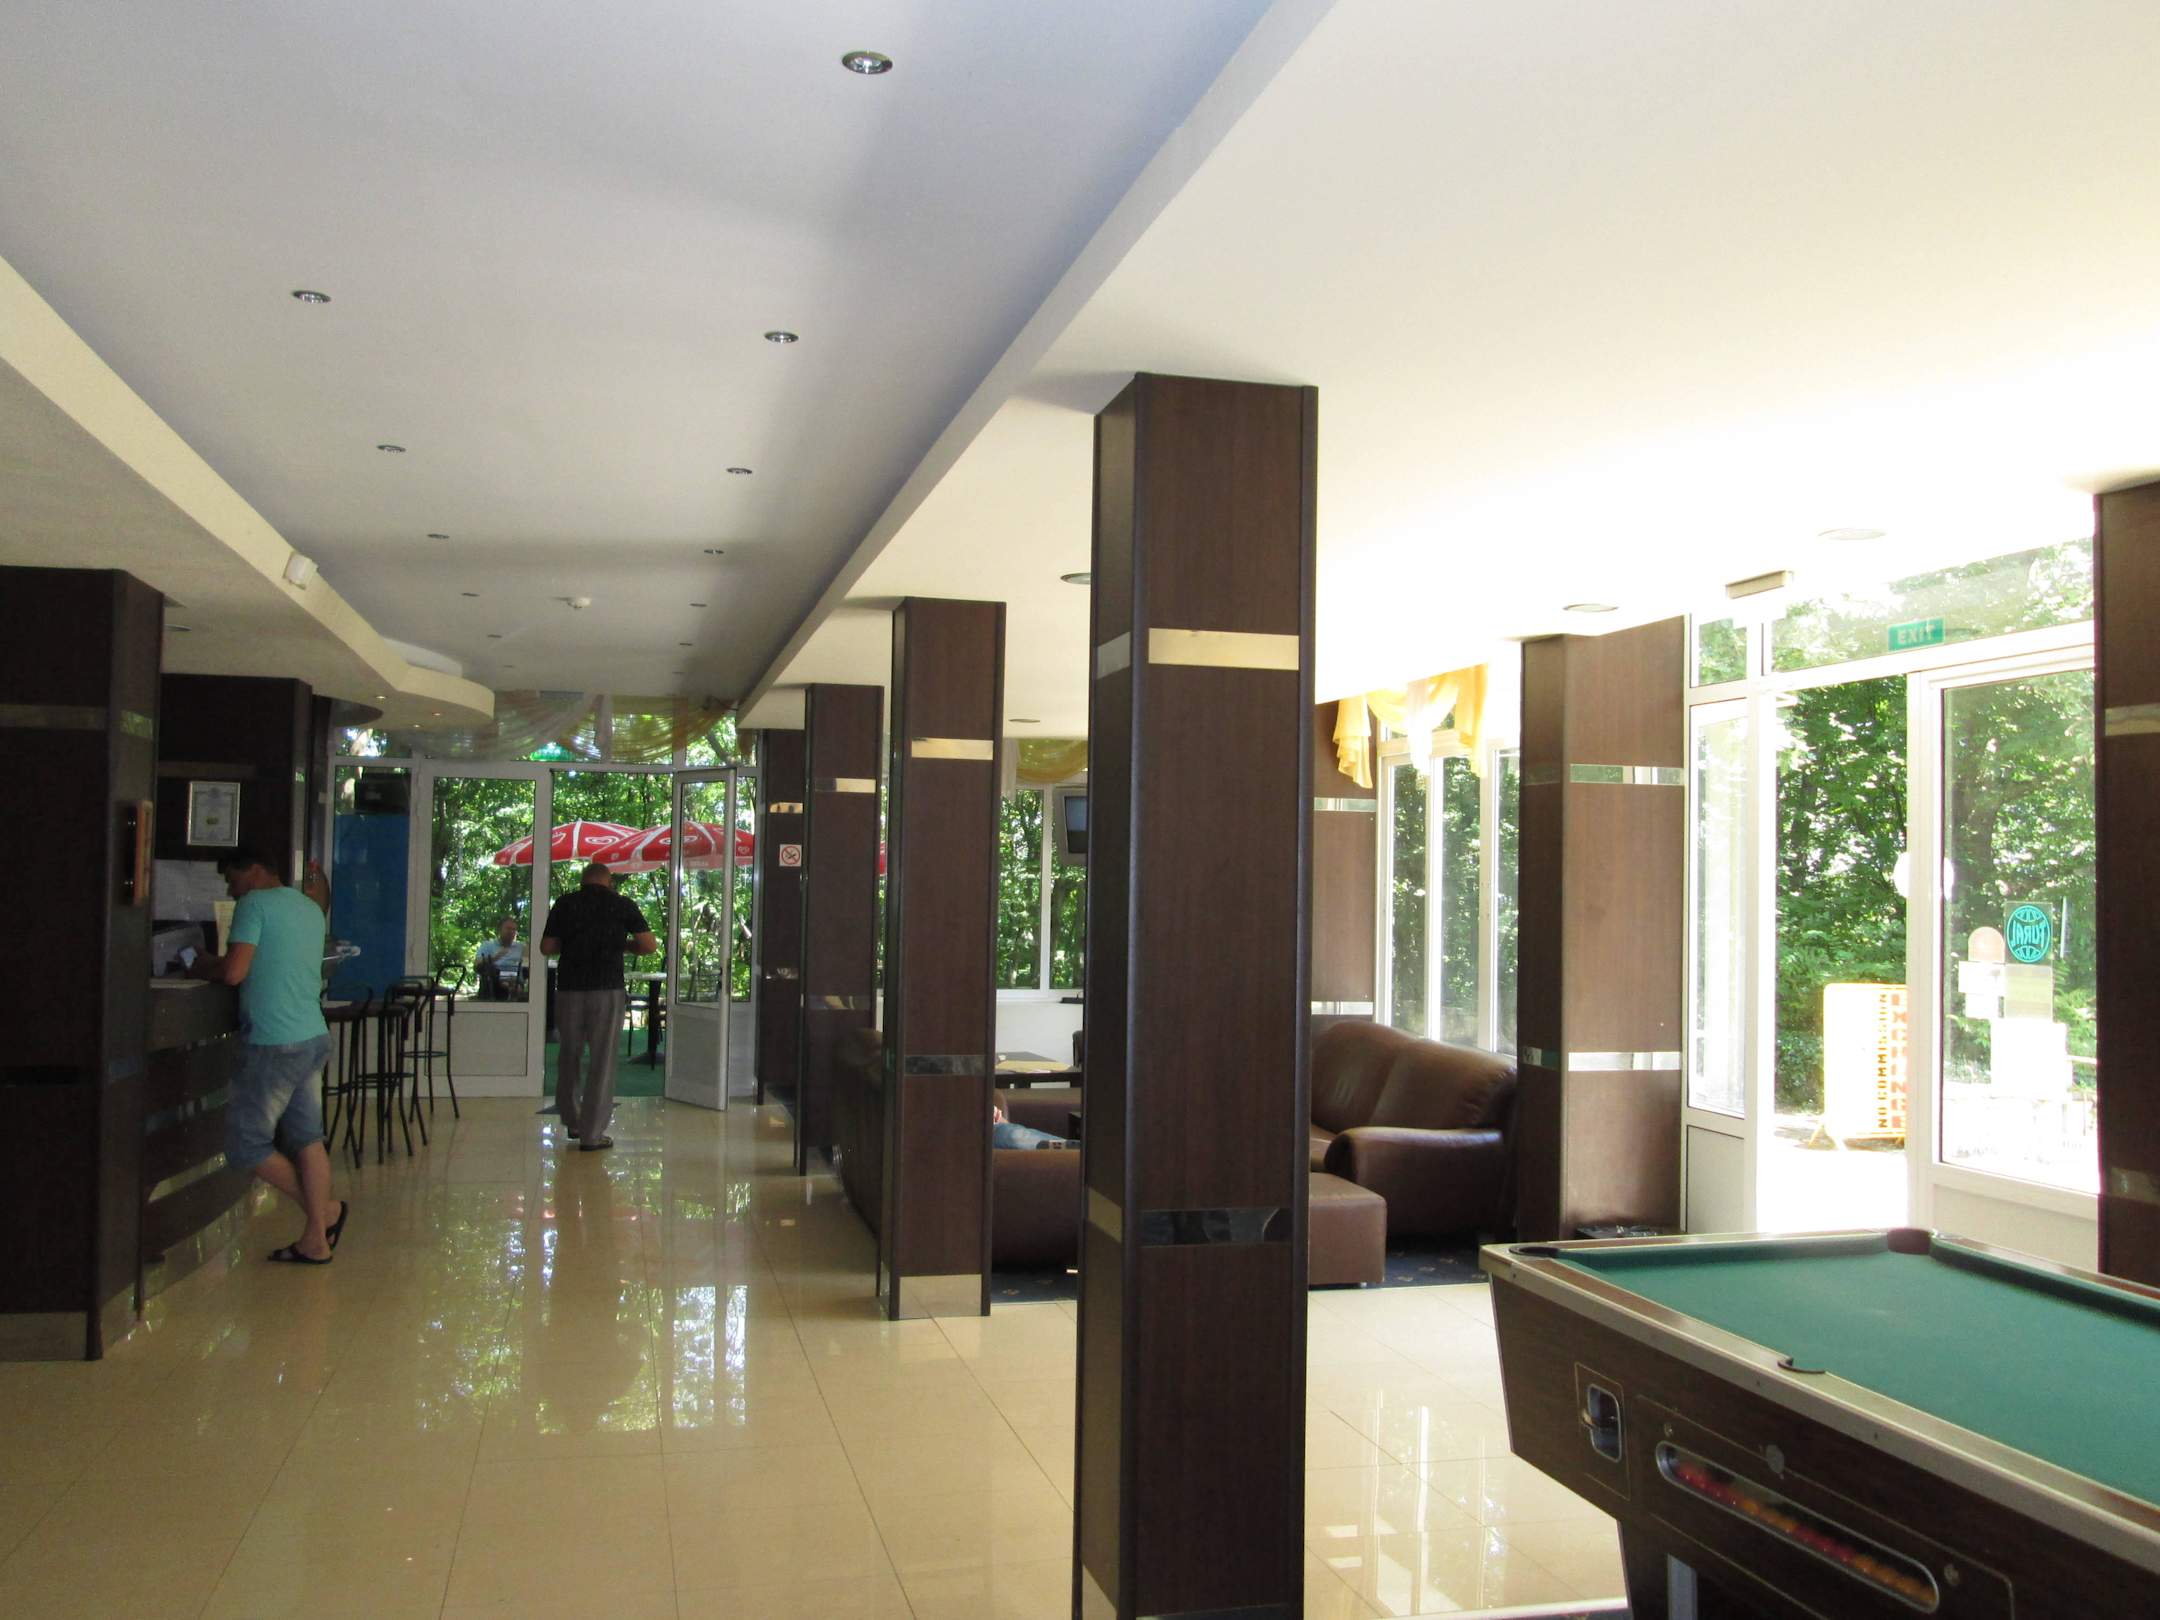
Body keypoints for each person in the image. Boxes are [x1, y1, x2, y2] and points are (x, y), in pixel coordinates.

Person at [193, 847, 348, 1263]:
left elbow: (234, 971)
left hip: (273, 1041)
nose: (231, 889)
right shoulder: (309, 909)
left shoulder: (254, 905)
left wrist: (202, 965)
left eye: (233, 879)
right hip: (312, 1036)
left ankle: (324, 1214)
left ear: (256, 871)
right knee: (308, 1139)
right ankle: (316, 1238)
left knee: (245, 1144)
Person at [539, 862, 657, 1152]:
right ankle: (592, 1134)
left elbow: (547, 947)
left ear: (583, 881)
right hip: (607, 989)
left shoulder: (565, 903)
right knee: (602, 1061)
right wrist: (623, 946)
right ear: (609, 881)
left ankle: (573, 1121)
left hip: (569, 989)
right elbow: (648, 945)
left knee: (569, 1055)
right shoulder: (621, 904)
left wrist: (573, 943)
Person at [475, 916, 525, 1000]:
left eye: (514, 929)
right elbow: (477, 964)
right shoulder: (488, 945)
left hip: (515, 982)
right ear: (499, 930)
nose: (511, 932)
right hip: (494, 984)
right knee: (492, 970)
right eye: (508, 928)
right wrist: (495, 957)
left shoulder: (521, 947)